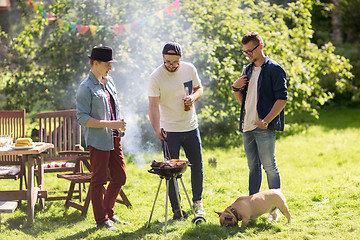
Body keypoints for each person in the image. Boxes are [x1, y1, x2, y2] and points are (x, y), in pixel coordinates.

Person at [148, 42, 206, 219]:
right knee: (171, 172)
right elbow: (152, 106)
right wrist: (157, 129)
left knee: (197, 167)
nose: (172, 66)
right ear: (163, 58)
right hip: (169, 130)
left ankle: (197, 203)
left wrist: (193, 97)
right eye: (168, 62)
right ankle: (177, 209)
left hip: (191, 127)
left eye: (175, 62)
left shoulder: (189, 69)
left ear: (181, 59)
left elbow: (199, 88)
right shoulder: (156, 77)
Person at [76, 46, 128, 230]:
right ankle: (101, 220)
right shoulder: (85, 87)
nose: (110, 68)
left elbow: (113, 106)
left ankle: (109, 213)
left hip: (114, 137)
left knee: (120, 177)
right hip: (98, 141)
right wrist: (109, 124)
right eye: (107, 64)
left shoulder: (109, 81)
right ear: (95, 63)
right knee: (99, 180)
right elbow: (82, 118)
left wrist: (118, 124)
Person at [232, 32, 288, 196]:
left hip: (264, 126)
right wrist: (235, 88)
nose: (248, 55)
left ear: (261, 47)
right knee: (253, 168)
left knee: (269, 166)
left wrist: (265, 121)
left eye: (250, 51)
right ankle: (252, 205)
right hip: (247, 125)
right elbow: (245, 101)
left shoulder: (275, 69)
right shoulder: (247, 70)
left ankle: (274, 208)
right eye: (245, 52)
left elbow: (282, 99)